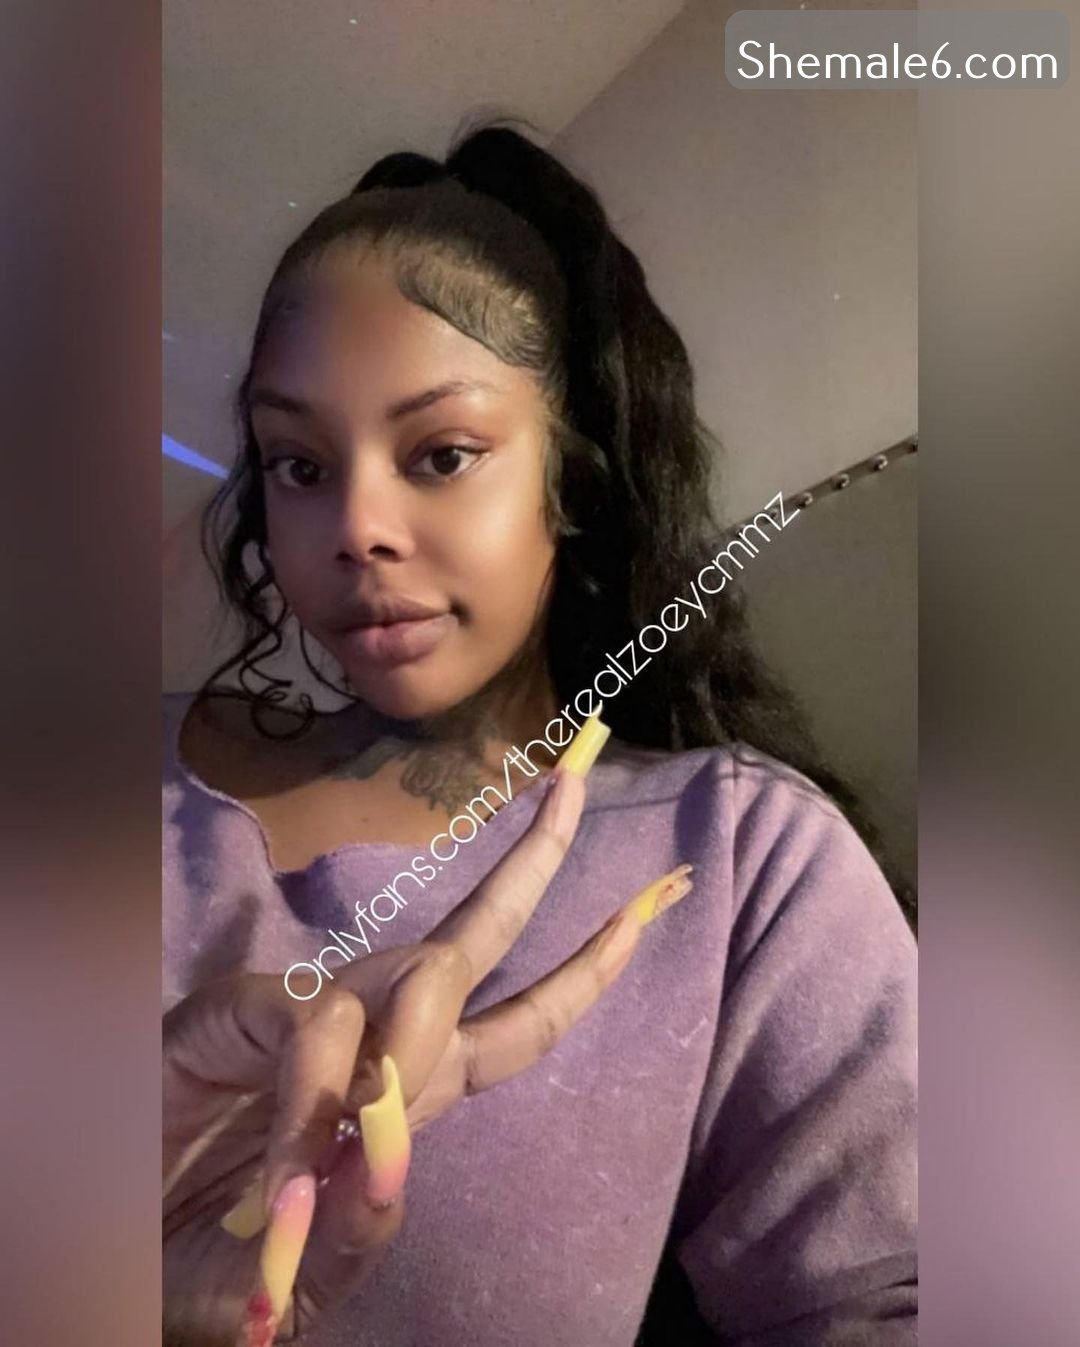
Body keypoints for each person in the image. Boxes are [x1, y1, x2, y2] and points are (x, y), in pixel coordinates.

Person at [163, 119, 917, 1346]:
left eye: (442, 454)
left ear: (572, 476)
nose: (354, 526)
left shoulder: (740, 856)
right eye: (297, 465)